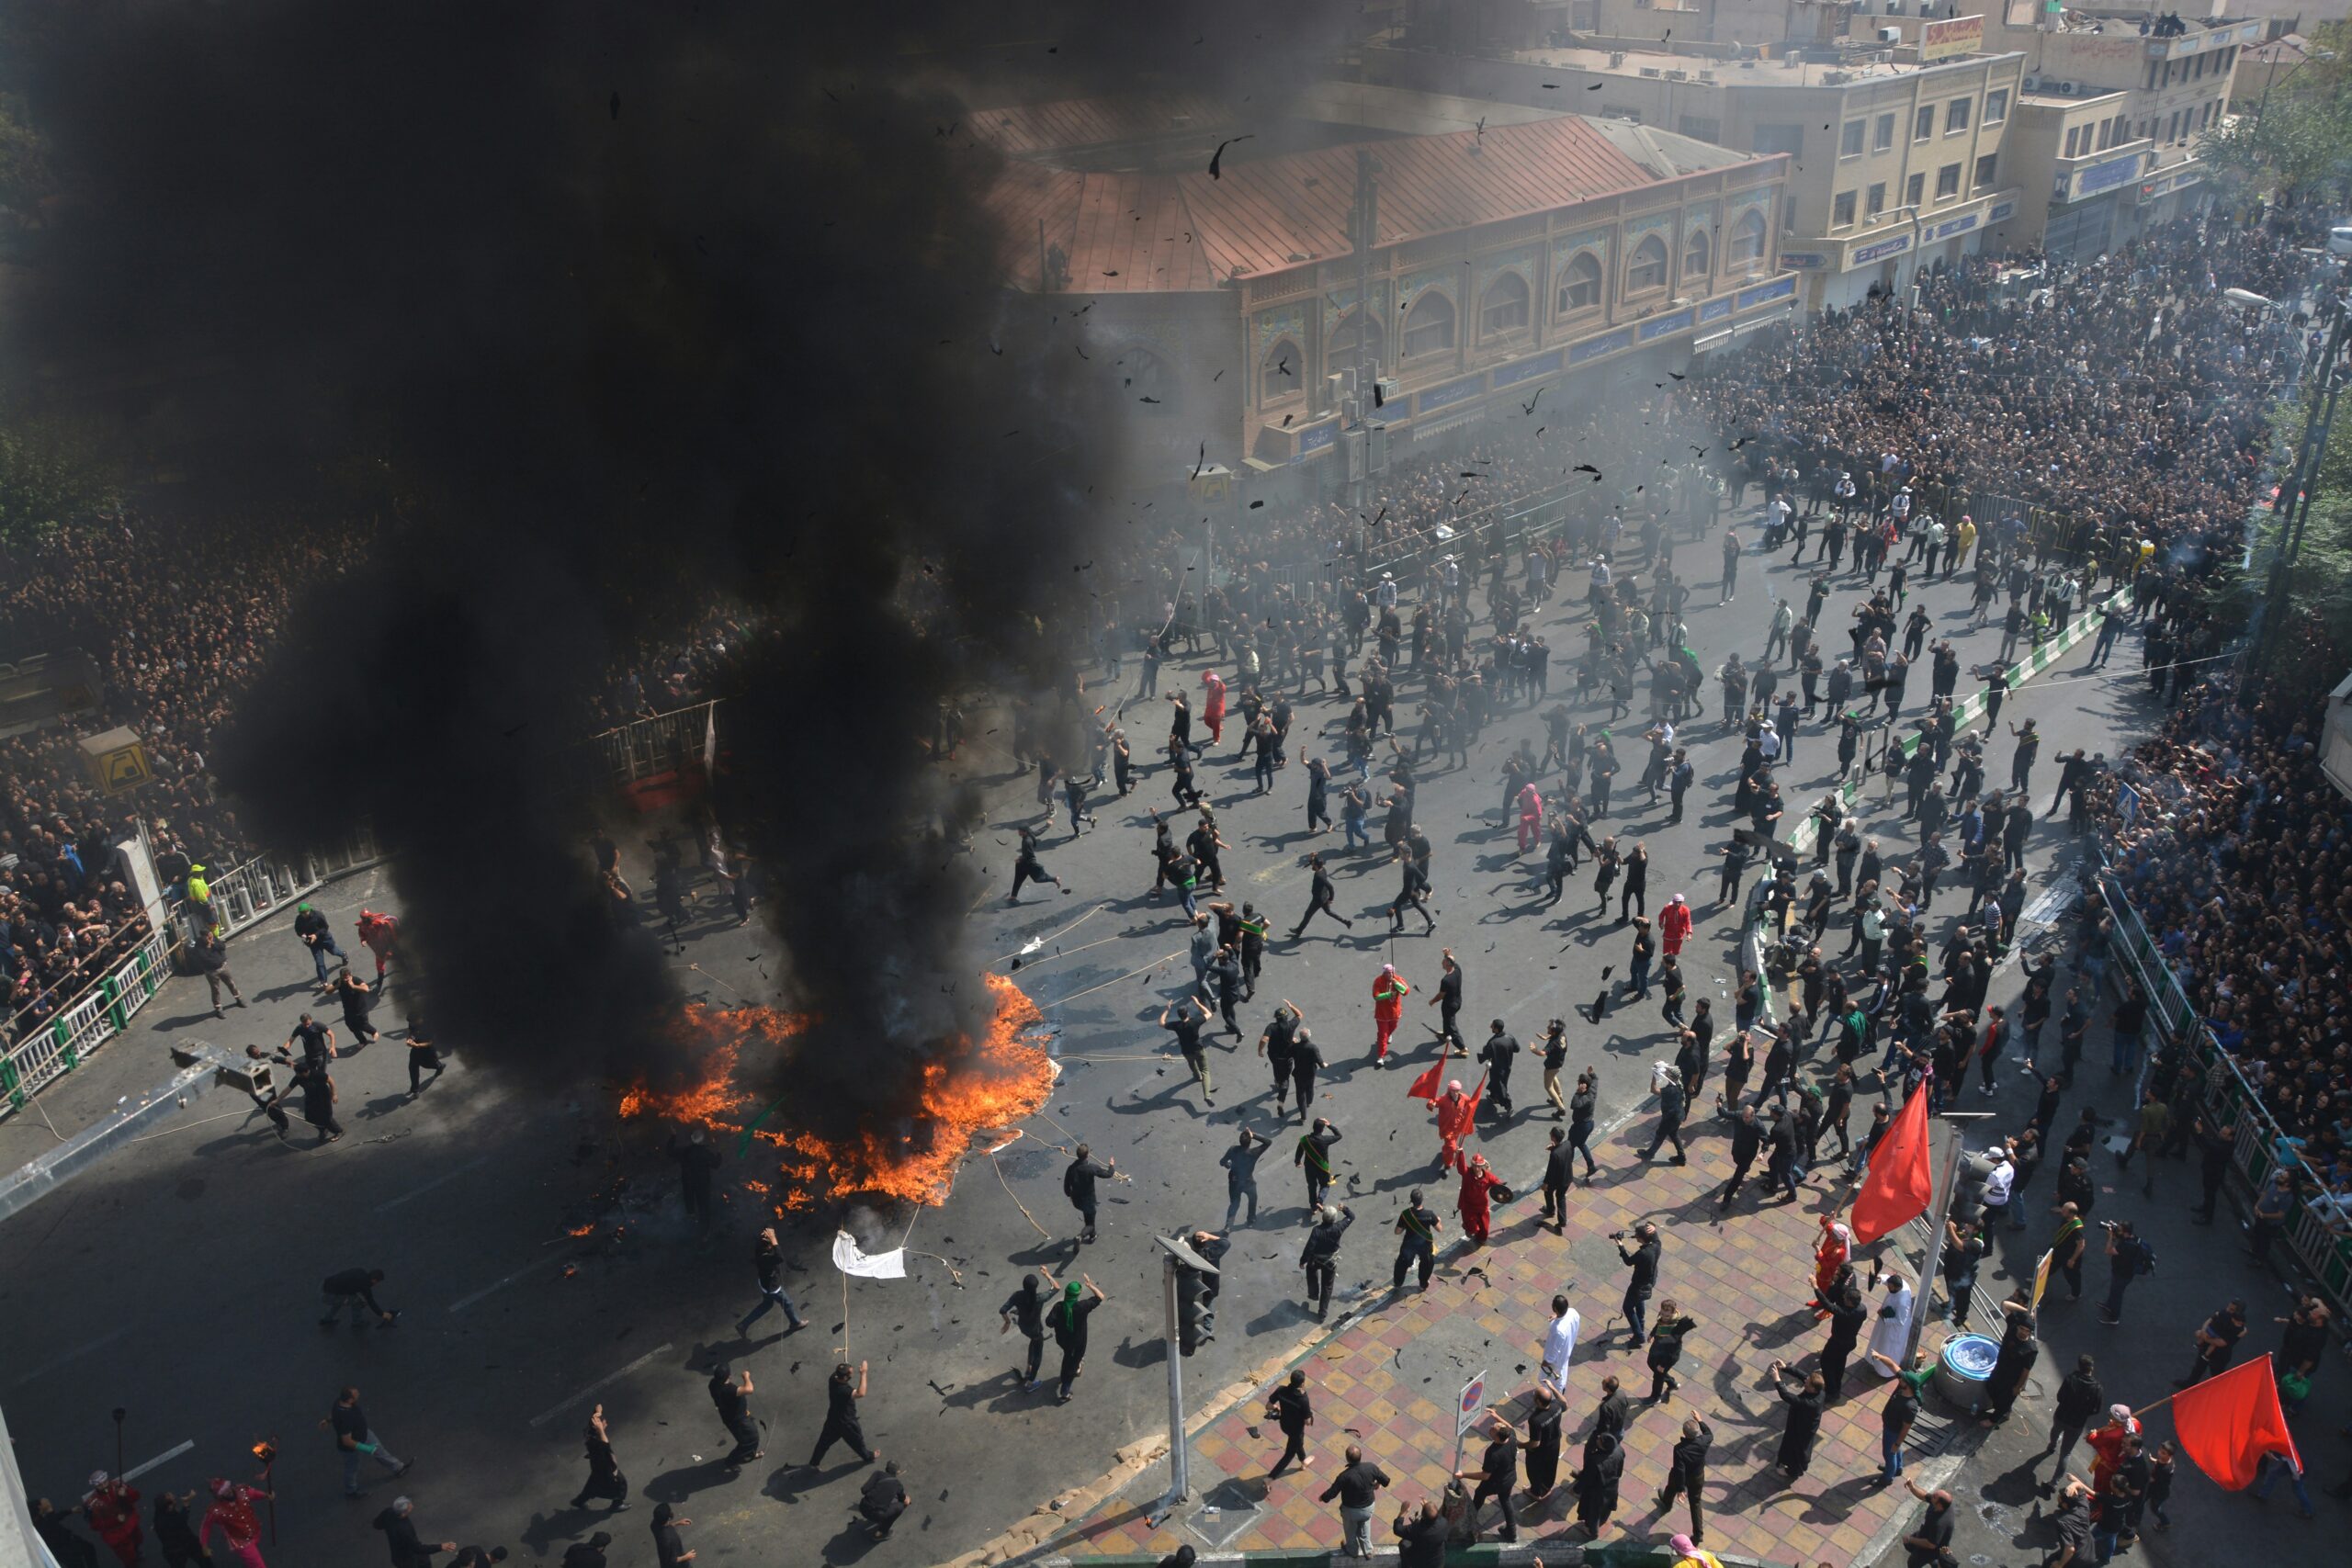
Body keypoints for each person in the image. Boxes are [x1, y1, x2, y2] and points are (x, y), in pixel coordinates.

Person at [325, 1385, 411, 1496]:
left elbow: (333, 1412)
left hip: (364, 1433)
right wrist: (366, 1448)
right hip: (351, 1447)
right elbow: (347, 1441)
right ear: (350, 1399)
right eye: (356, 1394)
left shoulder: (339, 1402)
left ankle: (398, 1468)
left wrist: (327, 1420)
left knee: (380, 1451)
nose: (359, 1394)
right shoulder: (346, 1417)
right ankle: (350, 1491)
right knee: (352, 1468)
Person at [1869, 1348, 1932, 1480]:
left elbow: (1905, 1428)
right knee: (1894, 1452)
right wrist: (1879, 1356)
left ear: (1907, 1384)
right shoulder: (1904, 1386)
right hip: (1890, 1426)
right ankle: (1898, 1468)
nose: (1899, 1378)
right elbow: (1892, 1365)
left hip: (1893, 1430)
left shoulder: (1910, 1406)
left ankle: (1887, 1478)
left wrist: (1896, 1444)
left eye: (1902, 1379)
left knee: (1889, 1453)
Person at [1318, 1444, 1391, 1557]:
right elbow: (1386, 1480)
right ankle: (1368, 1551)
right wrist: (1377, 1484)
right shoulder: (1371, 1467)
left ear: (1347, 1458)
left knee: (1350, 1531)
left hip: (1351, 1511)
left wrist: (1322, 1497)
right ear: (1361, 1456)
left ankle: (1352, 1551)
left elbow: (1331, 1493)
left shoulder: (1344, 1476)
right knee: (1365, 1525)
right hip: (1368, 1508)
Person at [1458, 1414, 1521, 1542]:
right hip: (1509, 1478)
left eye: (1494, 1428)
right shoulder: (1512, 1437)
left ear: (1497, 1437)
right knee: (1505, 1500)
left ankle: (1469, 1523)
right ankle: (1512, 1532)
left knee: (1479, 1494)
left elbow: (1485, 1475)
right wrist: (1497, 1416)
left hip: (1494, 1483)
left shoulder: (1493, 1453)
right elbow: (1509, 1426)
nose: (1491, 1427)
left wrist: (1463, 1474)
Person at [2042, 1355, 2103, 1483]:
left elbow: (2059, 1397)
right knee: (2066, 1453)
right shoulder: (2097, 1388)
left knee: (2055, 1431)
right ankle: (2054, 1482)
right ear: (2091, 1368)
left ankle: (2052, 1445)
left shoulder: (2071, 1379)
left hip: (2061, 1416)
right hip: (2077, 1423)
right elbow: (2095, 1410)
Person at [734, 1226, 805, 1336]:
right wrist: (774, 1240)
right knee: (788, 1303)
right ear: (768, 1247)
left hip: (764, 1283)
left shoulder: (759, 1249)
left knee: (766, 1305)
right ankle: (795, 1323)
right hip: (772, 1287)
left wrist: (770, 1237)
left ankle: (743, 1325)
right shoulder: (766, 1258)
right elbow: (780, 1257)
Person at [1655, 1416, 1712, 1543]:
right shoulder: (1704, 1441)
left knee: (1671, 1486)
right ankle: (1698, 1535)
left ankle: (1667, 1502)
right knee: (1695, 1503)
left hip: (1683, 1477)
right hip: (1698, 1477)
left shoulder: (1679, 1449)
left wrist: (1681, 1489)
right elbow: (1709, 1433)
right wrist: (1700, 1420)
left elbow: (1680, 1470)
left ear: (1684, 1433)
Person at [1048, 1275, 1106, 1402]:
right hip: (1077, 1343)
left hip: (1063, 1341)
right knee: (1071, 1365)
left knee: (1069, 1356)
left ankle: (1075, 1366)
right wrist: (1090, 1285)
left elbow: (1049, 1322)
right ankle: (1065, 1391)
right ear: (1077, 1295)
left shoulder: (1058, 1307)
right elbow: (1100, 1297)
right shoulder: (1082, 1306)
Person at [1767, 1361, 1826, 1478]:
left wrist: (1777, 1379)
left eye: (1808, 1384)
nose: (1805, 1382)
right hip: (1799, 1422)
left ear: (1813, 1389)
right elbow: (1803, 1375)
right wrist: (1785, 1368)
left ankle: (1794, 1471)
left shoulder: (1811, 1403)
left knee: (1798, 1450)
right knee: (1790, 1445)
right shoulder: (1818, 1390)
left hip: (1802, 1429)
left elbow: (1787, 1396)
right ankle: (1786, 1460)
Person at [198, 1479, 271, 1568]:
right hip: (241, 1541)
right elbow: (206, 1526)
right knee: (259, 1565)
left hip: (254, 1531)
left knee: (252, 1563)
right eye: (224, 1491)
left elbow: (253, 1493)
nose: (228, 1491)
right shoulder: (216, 1510)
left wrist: (265, 1495)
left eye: (227, 1488)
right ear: (220, 1495)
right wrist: (204, 1545)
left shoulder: (241, 1492)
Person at [569, 1404, 629, 1512]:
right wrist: (601, 1430)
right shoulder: (600, 1444)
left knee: (592, 1487)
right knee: (620, 1486)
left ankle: (579, 1501)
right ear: (598, 1427)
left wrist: (597, 1412)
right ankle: (617, 1504)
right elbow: (606, 1444)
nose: (605, 1422)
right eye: (603, 1422)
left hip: (597, 1470)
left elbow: (596, 1412)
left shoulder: (591, 1437)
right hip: (607, 1472)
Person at [1000, 1270, 1051, 1390]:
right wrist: (1047, 1274)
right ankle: (1030, 1383)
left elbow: (1003, 1310)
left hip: (1023, 1327)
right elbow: (1056, 1288)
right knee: (1038, 1354)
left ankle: (1029, 1367)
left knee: (1032, 1342)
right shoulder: (1039, 1298)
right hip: (1036, 1330)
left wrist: (1007, 1322)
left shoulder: (1017, 1295)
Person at [1301, 1203, 1354, 1318]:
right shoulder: (1339, 1227)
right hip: (1330, 1262)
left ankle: (1314, 1294)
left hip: (1316, 1259)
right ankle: (1322, 1312)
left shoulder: (1317, 1230)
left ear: (1322, 1217)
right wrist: (1344, 1208)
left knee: (1311, 1271)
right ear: (1335, 1219)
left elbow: (1309, 1247)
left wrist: (1303, 1261)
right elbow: (1351, 1217)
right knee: (1327, 1286)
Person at [1570, 1427, 1623, 1540]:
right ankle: (1603, 1520)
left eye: (1600, 1439)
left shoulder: (1595, 1461)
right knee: (1607, 1506)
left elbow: (1587, 1478)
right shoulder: (1619, 1451)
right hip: (1612, 1485)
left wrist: (1577, 1489)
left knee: (1594, 1512)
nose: (1598, 1438)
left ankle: (1593, 1532)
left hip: (1598, 1491)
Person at [372, 1498, 454, 1568]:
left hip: (398, 1555)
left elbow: (377, 1525)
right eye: (409, 1507)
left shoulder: (388, 1512)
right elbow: (417, 1548)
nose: (412, 1506)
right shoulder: (404, 1529)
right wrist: (441, 1547)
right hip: (409, 1559)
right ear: (403, 1513)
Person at [706, 1364, 761, 1466]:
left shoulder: (713, 1384)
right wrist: (746, 1377)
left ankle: (750, 1454)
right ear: (728, 1376)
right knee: (750, 1440)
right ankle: (733, 1460)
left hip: (731, 1417)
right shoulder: (728, 1390)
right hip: (739, 1421)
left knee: (747, 1439)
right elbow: (749, 1389)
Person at [83, 1475, 142, 1568]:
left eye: (105, 1482)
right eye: (100, 1485)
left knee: (137, 1540)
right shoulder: (91, 1504)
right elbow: (95, 1525)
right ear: (95, 1487)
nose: (104, 1486)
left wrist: (126, 1494)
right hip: (116, 1535)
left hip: (131, 1524)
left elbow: (136, 1496)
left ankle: (136, 1553)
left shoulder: (119, 1486)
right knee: (127, 1557)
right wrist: (115, 1521)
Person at [1615, 1222, 1660, 1344]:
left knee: (1628, 1308)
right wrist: (1654, 1228)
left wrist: (1620, 1245)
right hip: (1650, 1281)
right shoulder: (1656, 1245)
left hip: (1638, 1285)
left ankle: (1639, 1335)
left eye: (1636, 1235)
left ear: (1641, 1238)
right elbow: (1655, 1236)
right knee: (1639, 1300)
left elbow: (1629, 1261)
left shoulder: (1643, 1253)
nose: (1635, 1236)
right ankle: (1640, 1323)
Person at [1063, 1145, 1116, 1245]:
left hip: (1077, 1201)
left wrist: (1070, 1195)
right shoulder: (1091, 1168)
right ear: (1088, 1155)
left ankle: (1093, 1236)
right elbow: (1108, 1174)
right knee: (1090, 1223)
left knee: (1088, 1217)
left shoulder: (1071, 1169)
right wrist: (1111, 1165)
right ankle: (1080, 1237)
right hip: (1088, 1200)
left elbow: (1066, 1187)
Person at [1265, 1370, 1315, 1476]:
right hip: (1296, 1430)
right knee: (1289, 1454)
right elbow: (1307, 1422)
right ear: (1302, 1384)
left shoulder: (1281, 1390)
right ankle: (1270, 1478)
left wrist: (1276, 1407)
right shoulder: (1303, 1399)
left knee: (1298, 1444)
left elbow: (1268, 1406)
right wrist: (1309, 1413)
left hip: (1284, 1425)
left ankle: (1303, 1462)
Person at [1898, 1480, 1957, 1568]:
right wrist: (1912, 1487)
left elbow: (1931, 1544)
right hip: (1926, 1534)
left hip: (1932, 1549)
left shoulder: (1939, 1523)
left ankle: (1937, 1563)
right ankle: (1935, 1563)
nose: (1932, 1496)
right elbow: (1924, 1496)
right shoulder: (1940, 1503)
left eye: (1934, 1497)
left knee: (1913, 1563)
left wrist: (1910, 1539)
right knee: (1909, 1545)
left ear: (1940, 1505)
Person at [1392, 1188, 1442, 1291]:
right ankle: (1423, 1284)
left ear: (1411, 1200)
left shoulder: (1405, 1214)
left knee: (1401, 1264)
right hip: (1424, 1245)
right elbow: (1439, 1229)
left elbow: (1397, 1232)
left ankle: (1398, 1283)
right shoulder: (1429, 1214)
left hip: (1409, 1244)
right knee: (1426, 1264)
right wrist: (1438, 1220)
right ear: (1422, 1200)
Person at [1645, 1300, 1696, 1403]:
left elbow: (1671, 1352)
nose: (1664, 1317)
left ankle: (1655, 1397)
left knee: (1658, 1376)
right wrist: (1652, 1334)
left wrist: (1663, 1365)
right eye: (1662, 1314)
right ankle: (1672, 1383)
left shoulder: (1675, 1329)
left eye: (1667, 1315)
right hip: (1658, 1350)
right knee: (1651, 1364)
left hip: (1667, 1357)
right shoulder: (1664, 1319)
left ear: (1673, 1312)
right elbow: (1658, 1325)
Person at [321, 1267, 400, 1328]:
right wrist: (382, 1314)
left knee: (341, 1300)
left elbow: (349, 1286)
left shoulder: (360, 1271)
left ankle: (326, 1319)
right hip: (329, 1295)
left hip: (326, 1286)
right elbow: (370, 1301)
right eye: (377, 1282)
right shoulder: (364, 1285)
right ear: (374, 1280)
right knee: (357, 1301)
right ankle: (356, 1323)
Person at [152, 1487, 211, 1568]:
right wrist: (186, 1504)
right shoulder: (171, 1520)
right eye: (174, 1500)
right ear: (169, 1507)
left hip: (171, 1550)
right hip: (186, 1543)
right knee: (205, 1562)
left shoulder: (159, 1515)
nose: (175, 1499)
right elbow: (182, 1520)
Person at [1220, 1126, 1268, 1227]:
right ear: (1250, 1142)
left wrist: (1227, 1164)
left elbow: (1222, 1162)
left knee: (1234, 1203)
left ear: (1240, 1141)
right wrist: (1253, 1135)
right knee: (1253, 1199)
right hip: (1248, 1182)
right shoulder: (1254, 1153)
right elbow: (1268, 1142)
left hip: (1234, 1181)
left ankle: (1228, 1227)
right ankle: (1251, 1220)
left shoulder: (1233, 1149)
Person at [1523, 1386, 1564, 1501]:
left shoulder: (1535, 1420)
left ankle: (1536, 1492)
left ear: (1538, 1402)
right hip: (1555, 1443)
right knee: (1551, 1466)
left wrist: (1521, 1445)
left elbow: (1535, 1443)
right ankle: (1547, 1486)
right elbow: (1564, 1401)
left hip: (1542, 1450)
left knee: (1534, 1471)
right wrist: (1553, 1388)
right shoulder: (1557, 1405)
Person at [1456, 1155, 1505, 1247]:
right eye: (1474, 1165)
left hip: (1482, 1207)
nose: (1476, 1168)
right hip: (1468, 1207)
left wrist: (1500, 1191)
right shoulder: (1466, 1174)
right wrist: (1460, 1153)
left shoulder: (1488, 1176)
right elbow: (1461, 1167)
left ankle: (1480, 1238)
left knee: (1484, 1229)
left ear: (1482, 1166)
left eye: (1479, 1166)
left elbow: (1497, 1183)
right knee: (1472, 1229)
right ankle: (1468, 1227)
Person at [295, 901, 347, 987]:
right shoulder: (299, 919)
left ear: (309, 910)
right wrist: (302, 935)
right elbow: (298, 930)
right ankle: (323, 981)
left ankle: (343, 954)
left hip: (325, 939)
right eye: (301, 913)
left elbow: (325, 927)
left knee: (334, 951)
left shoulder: (318, 915)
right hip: (313, 943)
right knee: (319, 962)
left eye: (305, 912)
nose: (303, 915)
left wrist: (316, 935)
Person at [1540, 1292, 1582, 1396]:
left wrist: (1547, 1361)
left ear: (1554, 1308)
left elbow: (1555, 1349)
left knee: (1554, 1379)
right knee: (1562, 1371)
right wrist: (1557, 1316)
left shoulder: (1558, 1329)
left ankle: (1554, 1396)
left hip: (1556, 1360)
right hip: (1567, 1350)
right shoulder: (1573, 1312)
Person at [856, 1461, 910, 1540]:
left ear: (886, 1468)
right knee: (900, 1507)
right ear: (898, 1472)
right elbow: (902, 1499)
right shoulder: (898, 1485)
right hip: (877, 1515)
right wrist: (907, 1499)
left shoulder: (878, 1474)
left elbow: (864, 1490)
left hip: (863, 1508)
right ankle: (881, 1533)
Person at [1392, 1496, 1448, 1568]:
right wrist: (1428, 1506)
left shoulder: (1416, 1529)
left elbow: (1397, 1529)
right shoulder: (1443, 1522)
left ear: (1423, 1516)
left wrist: (1403, 1512)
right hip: (1438, 1561)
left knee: (1403, 1543)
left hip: (1420, 1562)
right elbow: (1435, 1516)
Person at [1373, 963, 1412, 1060]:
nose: (1389, 974)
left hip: (1394, 1013)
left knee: (1392, 1028)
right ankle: (1381, 1056)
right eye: (1387, 973)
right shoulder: (1378, 981)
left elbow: (1406, 991)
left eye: (1391, 972)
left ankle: (1387, 1035)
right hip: (1382, 1014)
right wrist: (1389, 994)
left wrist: (1395, 983)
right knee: (1383, 1035)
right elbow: (1376, 996)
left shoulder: (1398, 979)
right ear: (1384, 973)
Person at [649, 1504, 693, 1568]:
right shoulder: (667, 1540)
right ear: (668, 1518)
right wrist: (686, 1557)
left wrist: (678, 1523)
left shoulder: (654, 1525)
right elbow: (669, 1561)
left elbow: (666, 1526)